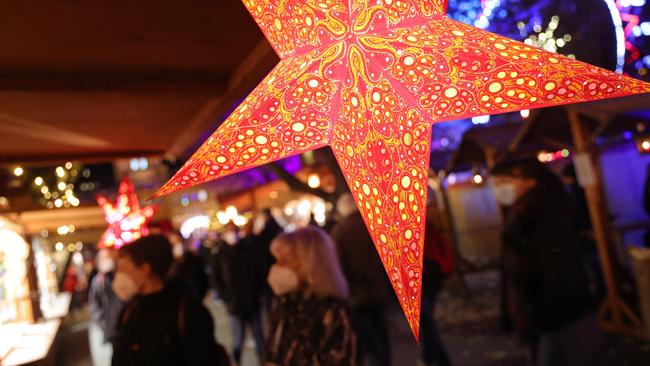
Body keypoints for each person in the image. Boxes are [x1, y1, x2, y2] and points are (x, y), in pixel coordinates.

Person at [490, 159, 603, 366]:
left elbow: (558, 270)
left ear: (531, 182)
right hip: (547, 318)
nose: (500, 188)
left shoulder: (544, 216)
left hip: (560, 318)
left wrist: (540, 316)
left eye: (507, 180)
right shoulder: (522, 217)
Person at [111, 235, 229, 366]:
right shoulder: (129, 311)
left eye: (123, 271)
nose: (118, 278)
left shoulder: (189, 313)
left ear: (145, 270)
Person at [264, 226, 357, 365]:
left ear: (310, 262)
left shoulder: (335, 314)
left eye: (285, 261)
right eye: (277, 260)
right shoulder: (286, 305)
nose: (277, 267)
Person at [330, 193, 393, 366]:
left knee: (369, 344)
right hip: (379, 289)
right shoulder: (373, 225)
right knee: (383, 336)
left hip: (357, 295)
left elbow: (340, 266)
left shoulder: (340, 232)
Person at [213, 223, 265, 363]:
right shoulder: (221, 254)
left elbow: (259, 273)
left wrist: (258, 293)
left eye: (235, 231)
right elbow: (216, 280)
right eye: (230, 232)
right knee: (237, 340)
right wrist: (227, 298)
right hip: (234, 305)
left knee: (260, 339)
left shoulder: (248, 249)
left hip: (252, 303)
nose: (233, 234)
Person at [419, 203, 452, 366]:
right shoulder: (429, 227)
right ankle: (429, 358)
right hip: (432, 277)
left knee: (427, 322)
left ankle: (440, 359)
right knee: (426, 321)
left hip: (424, 280)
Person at [89, 248, 124, 366]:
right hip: (111, 327)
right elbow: (95, 305)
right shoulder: (98, 281)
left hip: (124, 324)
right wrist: (104, 324)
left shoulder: (121, 276)